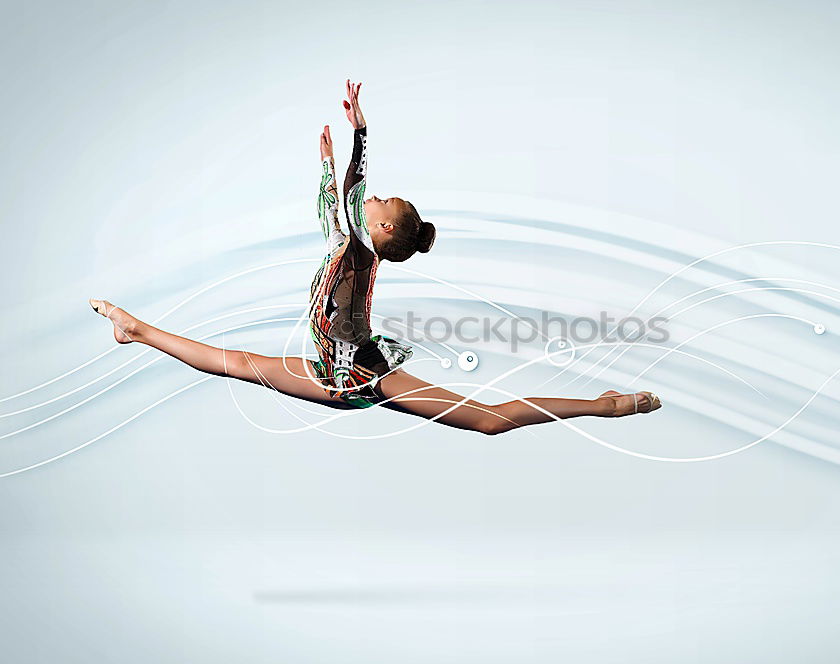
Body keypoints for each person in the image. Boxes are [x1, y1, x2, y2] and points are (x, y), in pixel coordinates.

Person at [89, 79, 660, 435]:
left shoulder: (362, 251)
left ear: (382, 225)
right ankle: (134, 329)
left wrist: (360, 136)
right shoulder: (347, 243)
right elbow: (330, 206)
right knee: (233, 362)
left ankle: (606, 406)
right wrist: (325, 162)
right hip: (334, 376)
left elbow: (349, 194)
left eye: (381, 202)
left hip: (368, 376)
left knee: (488, 421)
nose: (373, 199)